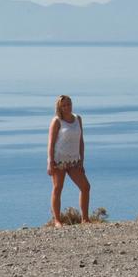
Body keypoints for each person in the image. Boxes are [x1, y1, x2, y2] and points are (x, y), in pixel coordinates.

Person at [47, 94, 92, 226]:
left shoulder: (78, 119)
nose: (67, 107)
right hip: (58, 160)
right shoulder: (56, 121)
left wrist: (81, 159)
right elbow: (51, 143)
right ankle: (57, 221)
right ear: (59, 107)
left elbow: (81, 140)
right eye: (64, 105)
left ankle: (85, 219)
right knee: (57, 188)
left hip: (74, 161)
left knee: (85, 187)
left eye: (69, 104)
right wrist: (50, 162)